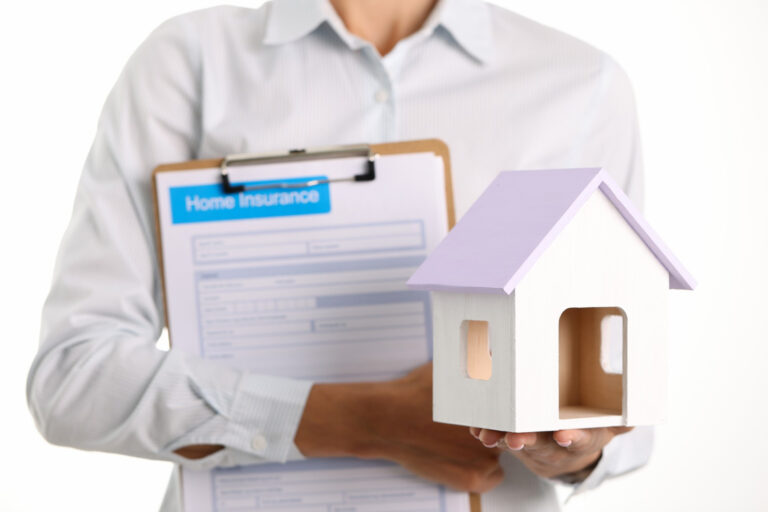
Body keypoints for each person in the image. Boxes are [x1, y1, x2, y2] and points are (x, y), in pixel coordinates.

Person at [27, 0, 653, 510]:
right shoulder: (190, 63)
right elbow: (73, 376)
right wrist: (354, 420)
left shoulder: (582, 86)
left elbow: (625, 418)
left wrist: (571, 446)